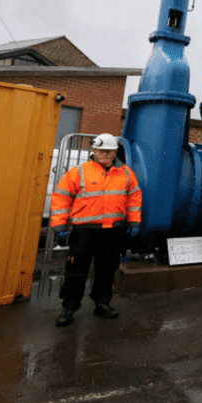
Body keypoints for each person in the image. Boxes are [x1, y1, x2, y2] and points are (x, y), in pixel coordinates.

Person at [51, 133, 141, 327]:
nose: (105, 155)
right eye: (101, 151)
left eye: (109, 151)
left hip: (111, 232)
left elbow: (134, 199)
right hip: (84, 232)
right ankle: (68, 308)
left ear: (115, 152)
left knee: (107, 270)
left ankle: (102, 304)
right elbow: (61, 198)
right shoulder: (79, 172)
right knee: (76, 270)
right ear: (94, 151)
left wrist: (134, 221)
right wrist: (59, 224)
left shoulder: (126, 173)